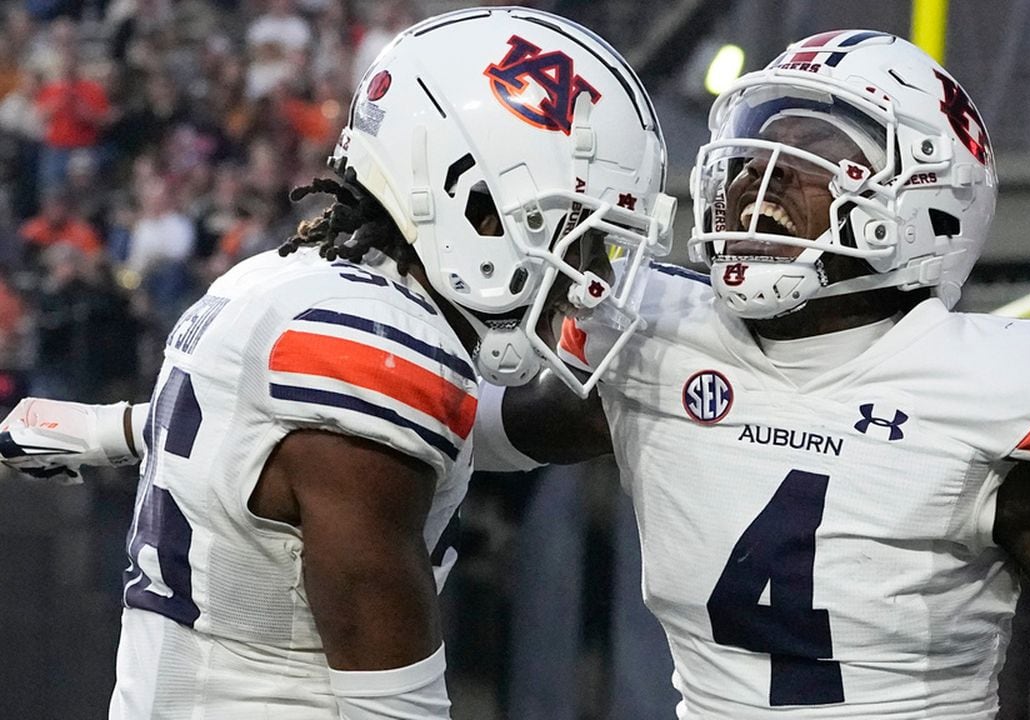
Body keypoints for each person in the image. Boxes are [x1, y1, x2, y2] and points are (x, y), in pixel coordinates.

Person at [4, 29, 1030, 720]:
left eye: (808, 164)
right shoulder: (655, 333)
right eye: (752, 158)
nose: (757, 189)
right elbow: (471, 426)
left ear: (920, 199)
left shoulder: (989, 387)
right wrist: (138, 428)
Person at [2, 6, 672, 719]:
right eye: (574, 238)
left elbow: (251, 435)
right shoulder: (371, 359)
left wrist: (124, 429)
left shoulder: (278, 284)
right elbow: (393, 707)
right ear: (474, 202)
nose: (583, 279)